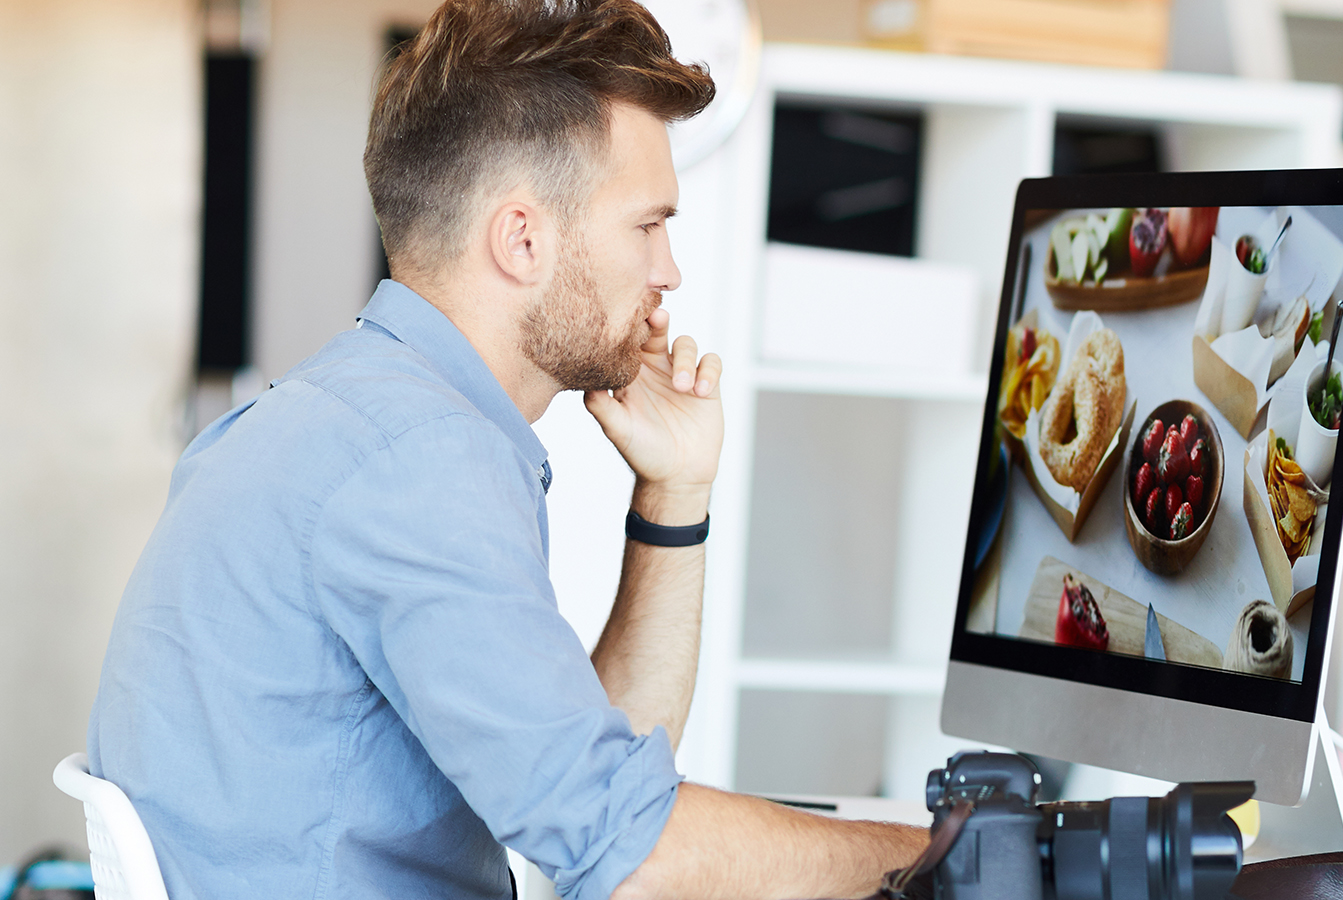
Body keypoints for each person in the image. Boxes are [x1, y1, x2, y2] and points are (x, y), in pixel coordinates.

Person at [87, 1, 928, 898]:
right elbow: (632, 861)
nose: (668, 270)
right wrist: (947, 858)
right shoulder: (417, 459)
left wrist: (674, 496)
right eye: (648, 224)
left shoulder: (358, 419)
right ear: (523, 238)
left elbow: (589, 780)